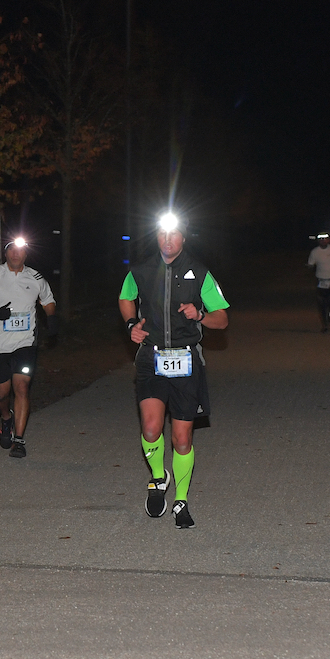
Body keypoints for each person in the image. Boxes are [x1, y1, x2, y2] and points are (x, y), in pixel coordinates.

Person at [118, 212, 229, 529]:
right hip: (151, 357)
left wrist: (200, 315)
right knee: (151, 428)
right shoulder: (140, 270)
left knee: (182, 439)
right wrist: (130, 326)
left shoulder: (200, 272)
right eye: (163, 234)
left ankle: (182, 502)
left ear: (183, 238)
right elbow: (125, 298)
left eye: (175, 234)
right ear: (157, 237)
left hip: (186, 360)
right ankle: (157, 479)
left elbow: (222, 319)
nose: (168, 240)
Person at [0, 236, 57, 458]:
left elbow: (48, 301)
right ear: (6, 253)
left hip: (25, 343)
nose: (16, 254)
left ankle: (19, 440)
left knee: (22, 388)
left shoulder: (35, 277)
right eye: (11, 250)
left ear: (26, 254)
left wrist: (52, 321)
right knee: (2, 395)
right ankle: (6, 419)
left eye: (20, 250)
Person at [306, 233, 330, 332]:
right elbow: (311, 264)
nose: (323, 241)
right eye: (321, 239)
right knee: (321, 303)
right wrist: (309, 268)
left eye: (325, 239)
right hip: (320, 280)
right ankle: (324, 325)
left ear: (328, 240)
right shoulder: (315, 252)